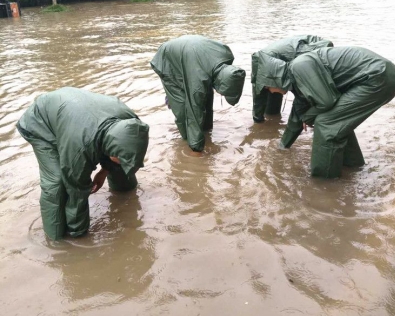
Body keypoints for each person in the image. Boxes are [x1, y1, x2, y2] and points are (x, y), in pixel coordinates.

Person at [17, 87, 149, 240]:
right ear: (111, 151)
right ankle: (55, 238)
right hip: (41, 124)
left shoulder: (133, 125)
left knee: (122, 169)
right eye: (117, 158)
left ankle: (125, 193)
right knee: (57, 182)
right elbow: (76, 191)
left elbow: (124, 153)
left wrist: (103, 172)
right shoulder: (79, 148)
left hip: (79, 117)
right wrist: (79, 237)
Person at [253, 46, 395, 178]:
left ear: (273, 80)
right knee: (338, 120)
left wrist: (309, 117)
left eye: (267, 88)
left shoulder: (299, 67)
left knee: (326, 123)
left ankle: (324, 183)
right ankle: (353, 166)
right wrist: (282, 147)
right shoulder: (296, 78)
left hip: (377, 77)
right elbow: (298, 114)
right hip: (380, 76)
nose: (271, 92)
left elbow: (327, 101)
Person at [150, 35, 246, 152]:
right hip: (167, 59)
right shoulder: (199, 80)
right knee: (182, 106)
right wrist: (197, 149)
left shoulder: (227, 55)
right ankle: (187, 140)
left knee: (205, 94)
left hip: (192, 56)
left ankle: (205, 130)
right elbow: (194, 110)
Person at [251, 35, 333, 122]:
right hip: (274, 64)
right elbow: (258, 94)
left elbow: (304, 94)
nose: (271, 91)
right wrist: (257, 120)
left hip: (308, 50)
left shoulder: (302, 60)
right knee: (271, 107)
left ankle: (315, 119)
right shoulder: (261, 69)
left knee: (307, 93)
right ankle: (272, 119)